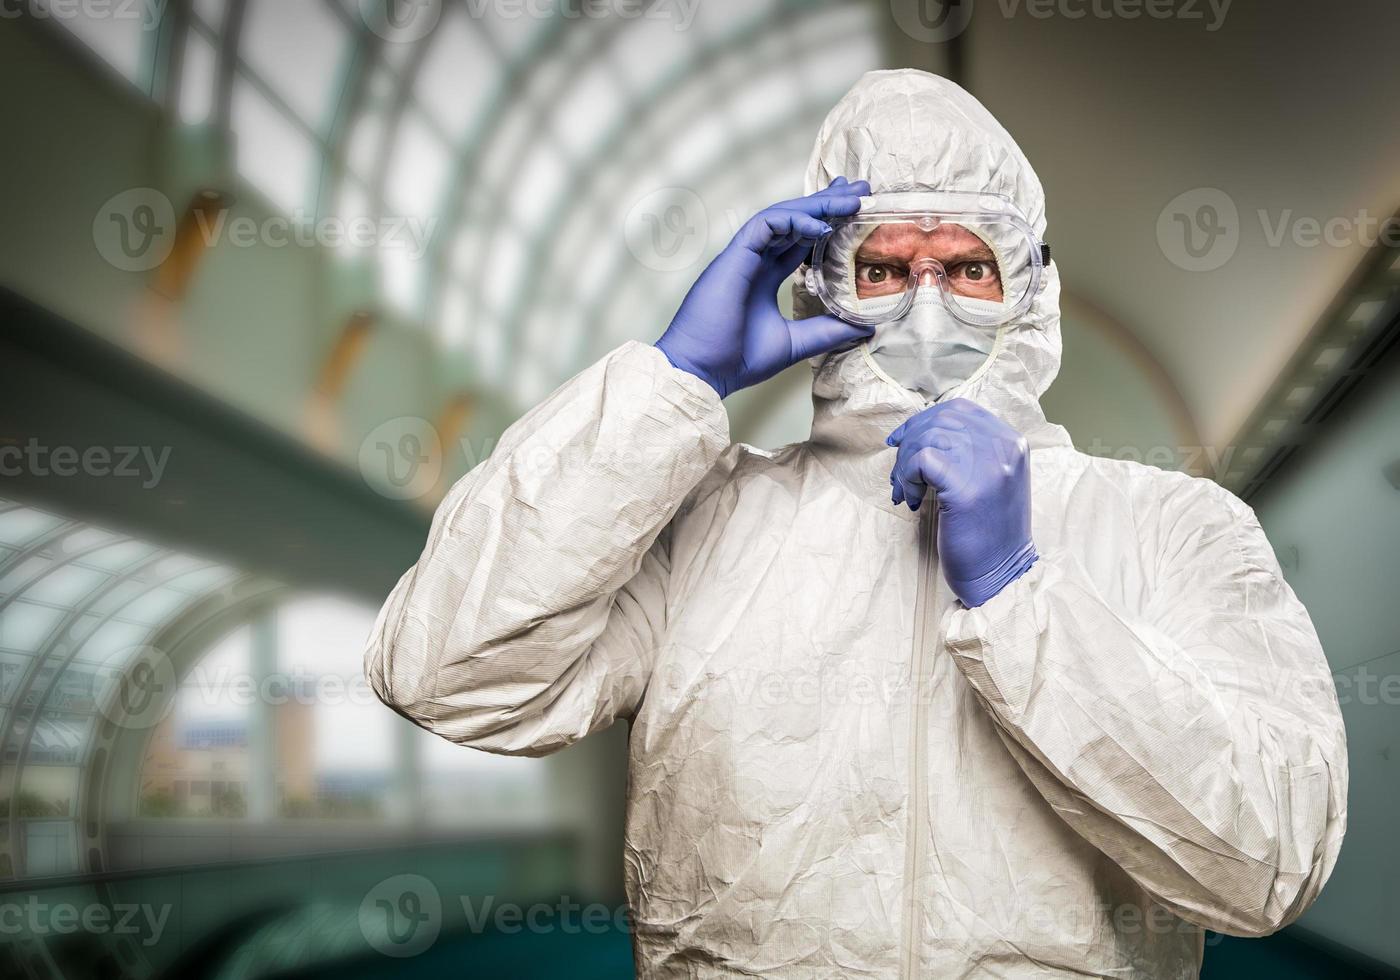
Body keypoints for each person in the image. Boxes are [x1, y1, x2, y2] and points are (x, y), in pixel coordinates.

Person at [366, 70, 1346, 977]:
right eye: (882, 267)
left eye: (967, 266)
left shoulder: (1171, 525)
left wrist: (1019, 598)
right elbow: (449, 673)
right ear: (819, 288)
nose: (927, 307)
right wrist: (671, 386)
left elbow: (1268, 861)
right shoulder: (703, 517)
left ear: (1030, 289)